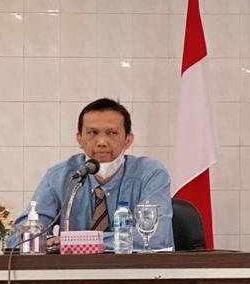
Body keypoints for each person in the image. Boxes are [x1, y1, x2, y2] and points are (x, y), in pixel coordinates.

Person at [12, 98, 174, 250]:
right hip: (74, 270)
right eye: (93, 133)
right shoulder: (60, 177)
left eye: (112, 133)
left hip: (138, 270)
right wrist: (44, 241)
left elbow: (155, 237)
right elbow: (17, 237)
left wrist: (80, 242)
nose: (102, 142)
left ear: (128, 140)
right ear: (79, 139)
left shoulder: (150, 174)